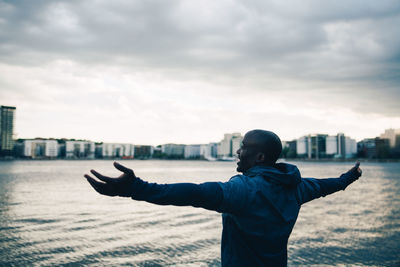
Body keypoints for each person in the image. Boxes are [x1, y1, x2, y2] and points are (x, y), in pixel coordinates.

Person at [85, 129, 362, 267]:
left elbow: (193, 193)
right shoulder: (296, 186)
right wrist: (347, 178)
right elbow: (327, 185)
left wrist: (136, 188)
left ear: (260, 157)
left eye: (243, 147)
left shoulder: (242, 191)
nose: (238, 152)